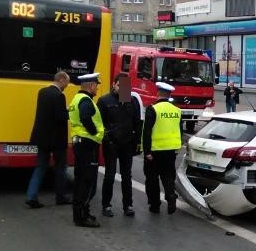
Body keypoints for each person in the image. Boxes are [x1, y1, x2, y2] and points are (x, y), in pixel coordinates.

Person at [97, 73, 143, 218]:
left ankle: (128, 205)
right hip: (111, 143)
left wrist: (136, 143)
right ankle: (106, 205)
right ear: (114, 84)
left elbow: (137, 122)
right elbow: (100, 123)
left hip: (127, 143)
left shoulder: (131, 100)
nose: (124, 89)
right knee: (110, 175)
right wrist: (106, 139)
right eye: (120, 86)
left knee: (126, 176)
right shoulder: (104, 100)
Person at [26, 71, 72, 208]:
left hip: (42, 137)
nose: (67, 86)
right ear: (62, 80)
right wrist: (69, 111)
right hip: (56, 139)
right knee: (60, 167)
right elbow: (59, 117)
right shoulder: (59, 95)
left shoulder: (42, 92)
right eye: (67, 83)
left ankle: (31, 195)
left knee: (40, 167)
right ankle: (61, 196)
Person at [68, 73, 105, 228]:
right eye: (96, 84)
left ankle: (81, 213)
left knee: (80, 179)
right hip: (87, 144)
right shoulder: (86, 100)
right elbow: (85, 117)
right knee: (87, 182)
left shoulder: (76, 98)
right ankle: (82, 216)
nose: (97, 87)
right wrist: (94, 132)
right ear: (91, 86)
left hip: (80, 143)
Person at [143, 82, 182, 214]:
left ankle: (155, 205)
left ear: (158, 93)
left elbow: (146, 132)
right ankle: (171, 197)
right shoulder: (177, 110)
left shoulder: (153, 109)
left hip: (155, 151)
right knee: (168, 177)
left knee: (152, 179)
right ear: (169, 94)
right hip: (171, 150)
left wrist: (147, 151)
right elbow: (179, 130)